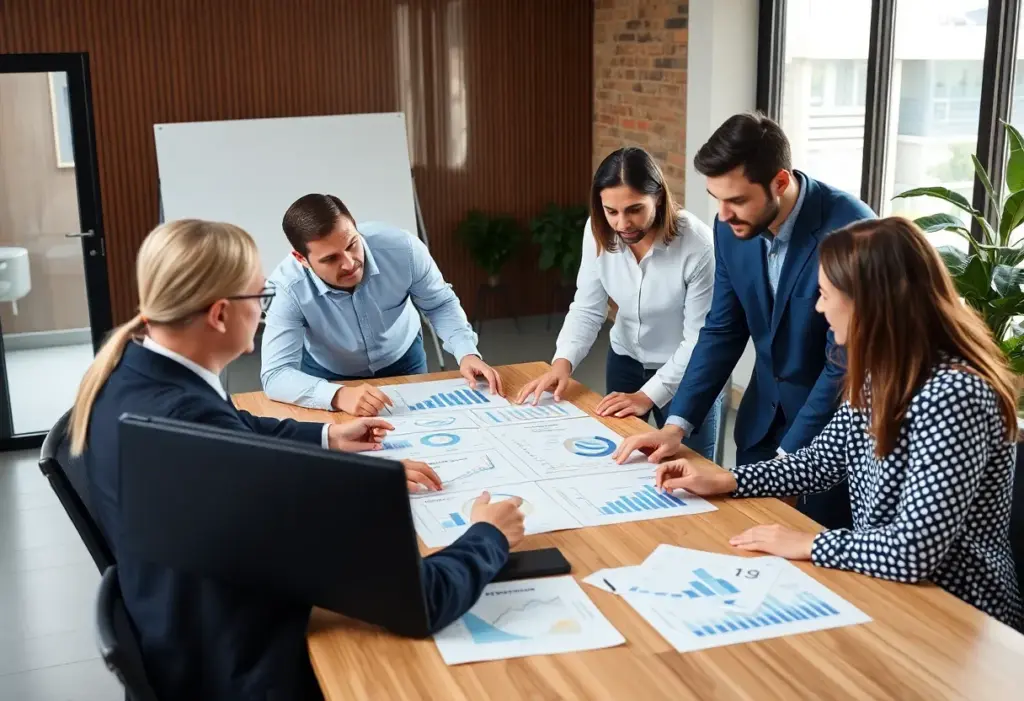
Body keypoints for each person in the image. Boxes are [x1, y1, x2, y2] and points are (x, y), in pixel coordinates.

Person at [69, 219, 527, 700]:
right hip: (250, 673)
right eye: (259, 299)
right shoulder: (207, 446)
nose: (265, 312)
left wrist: (329, 437)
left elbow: (240, 429)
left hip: (180, 629)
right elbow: (419, 600)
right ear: (221, 314)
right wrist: (488, 535)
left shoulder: (133, 376)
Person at [653, 217, 1023, 631]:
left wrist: (810, 542)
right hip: (887, 587)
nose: (818, 307)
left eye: (827, 294)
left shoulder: (955, 395)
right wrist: (727, 480)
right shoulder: (881, 370)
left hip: (954, 611)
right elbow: (821, 461)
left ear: (868, 303)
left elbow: (915, 549)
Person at [614, 112, 875, 530]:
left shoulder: (853, 231)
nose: (722, 214)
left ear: (781, 182)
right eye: (716, 198)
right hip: (758, 428)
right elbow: (722, 329)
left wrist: (789, 462)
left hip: (827, 441)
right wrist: (676, 425)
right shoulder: (729, 227)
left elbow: (843, 364)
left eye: (736, 200)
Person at [516, 147, 722, 459]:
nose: (622, 223)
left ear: (659, 198)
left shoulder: (698, 245)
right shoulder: (597, 229)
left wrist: (647, 395)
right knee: (621, 462)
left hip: (689, 372)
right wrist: (562, 363)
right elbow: (588, 306)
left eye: (634, 209)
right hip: (625, 361)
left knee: (692, 469)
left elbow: (698, 340)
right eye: (611, 211)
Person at [261, 194, 502, 416]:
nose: (349, 263)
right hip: (329, 374)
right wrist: (336, 395)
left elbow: (439, 303)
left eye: (352, 245)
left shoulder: (403, 249)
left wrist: (466, 352)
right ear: (301, 259)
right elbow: (276, 374)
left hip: (404, 358)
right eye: (331, 258)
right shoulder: (285, 288)